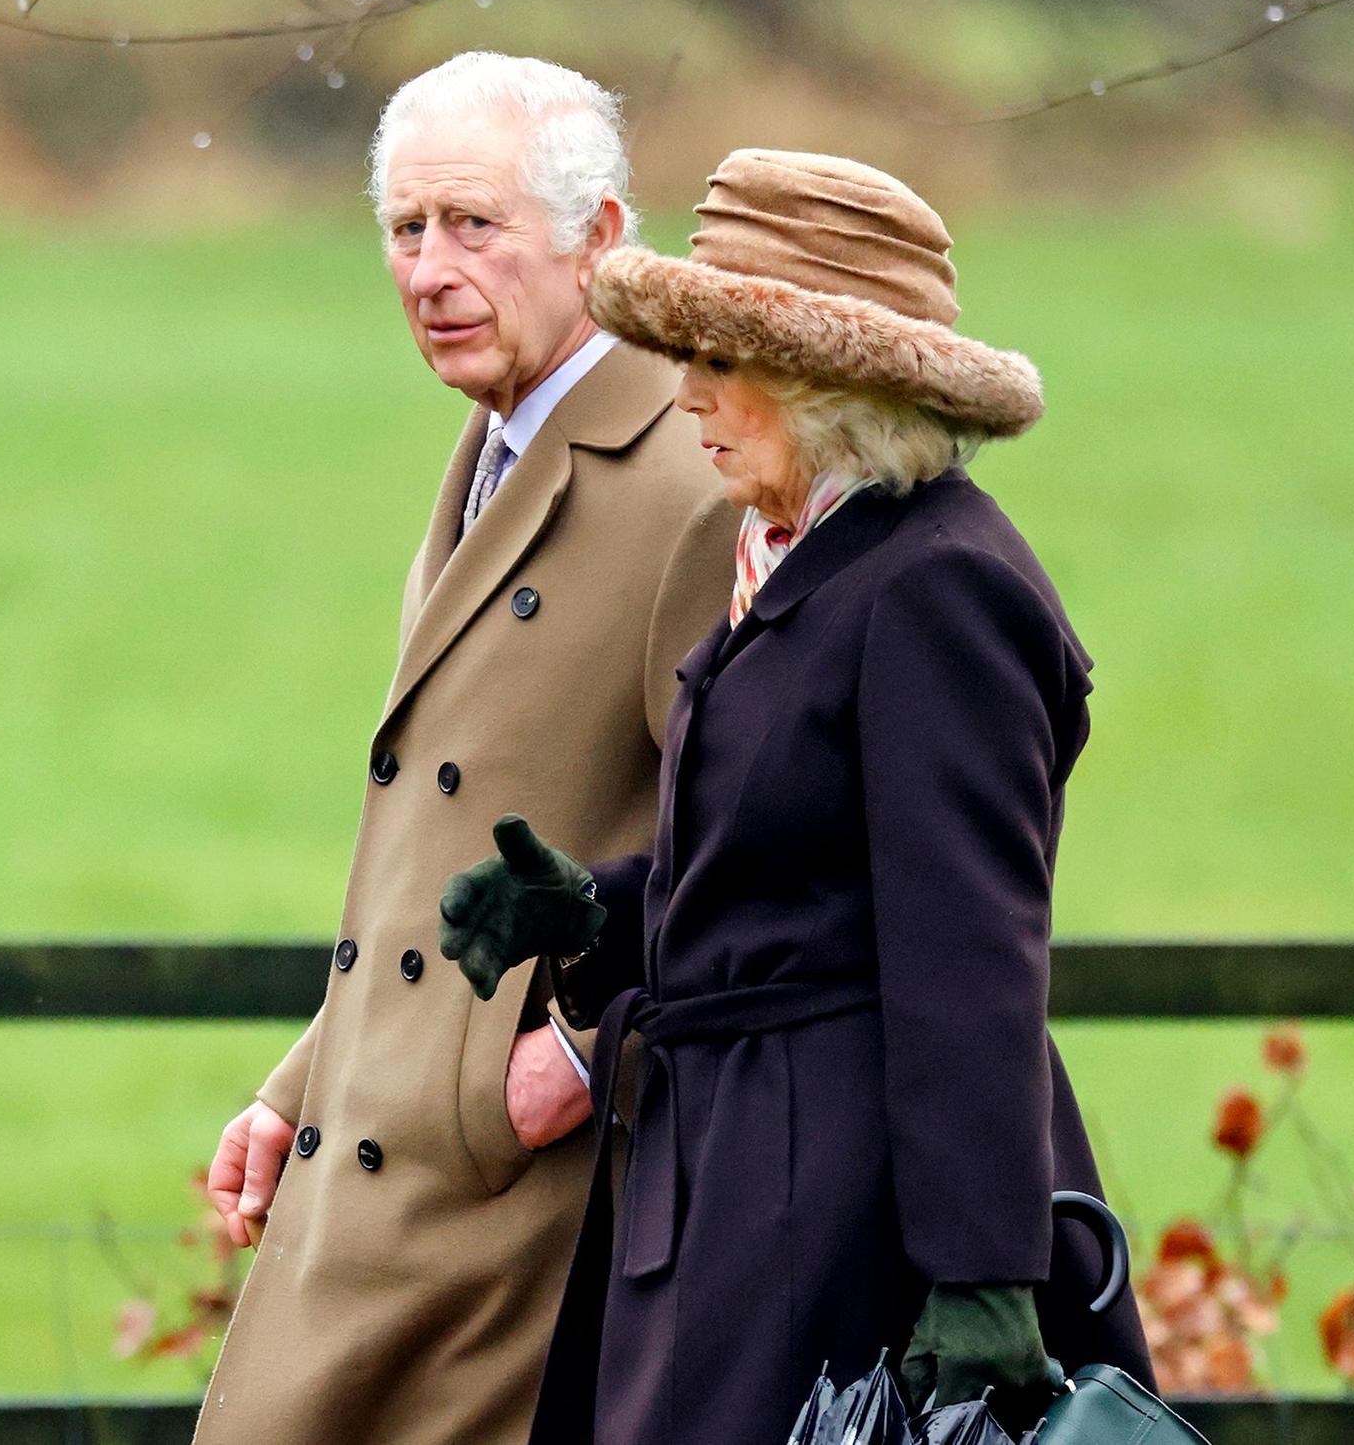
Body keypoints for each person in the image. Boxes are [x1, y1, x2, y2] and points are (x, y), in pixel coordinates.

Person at [439, 149, 1156, 1445]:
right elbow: (777, 881)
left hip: (842, 1213)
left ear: (832, 381)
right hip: (732, 1183)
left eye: (725, 358)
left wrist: (982, 1270)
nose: (690, 392)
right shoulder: (800, 555)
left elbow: (970, 951)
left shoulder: (941, 585)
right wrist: (591, 912)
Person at [192, 55, 734, 1445]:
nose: (431, 269)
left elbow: (746, 846)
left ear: (601, 238)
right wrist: (298, 1091)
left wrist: (569, 1042)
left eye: (475, 226)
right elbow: (437, 863)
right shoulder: (494, 441)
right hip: (389, 1161)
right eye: (406, 228)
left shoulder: (683, 478)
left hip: (520, 1214)